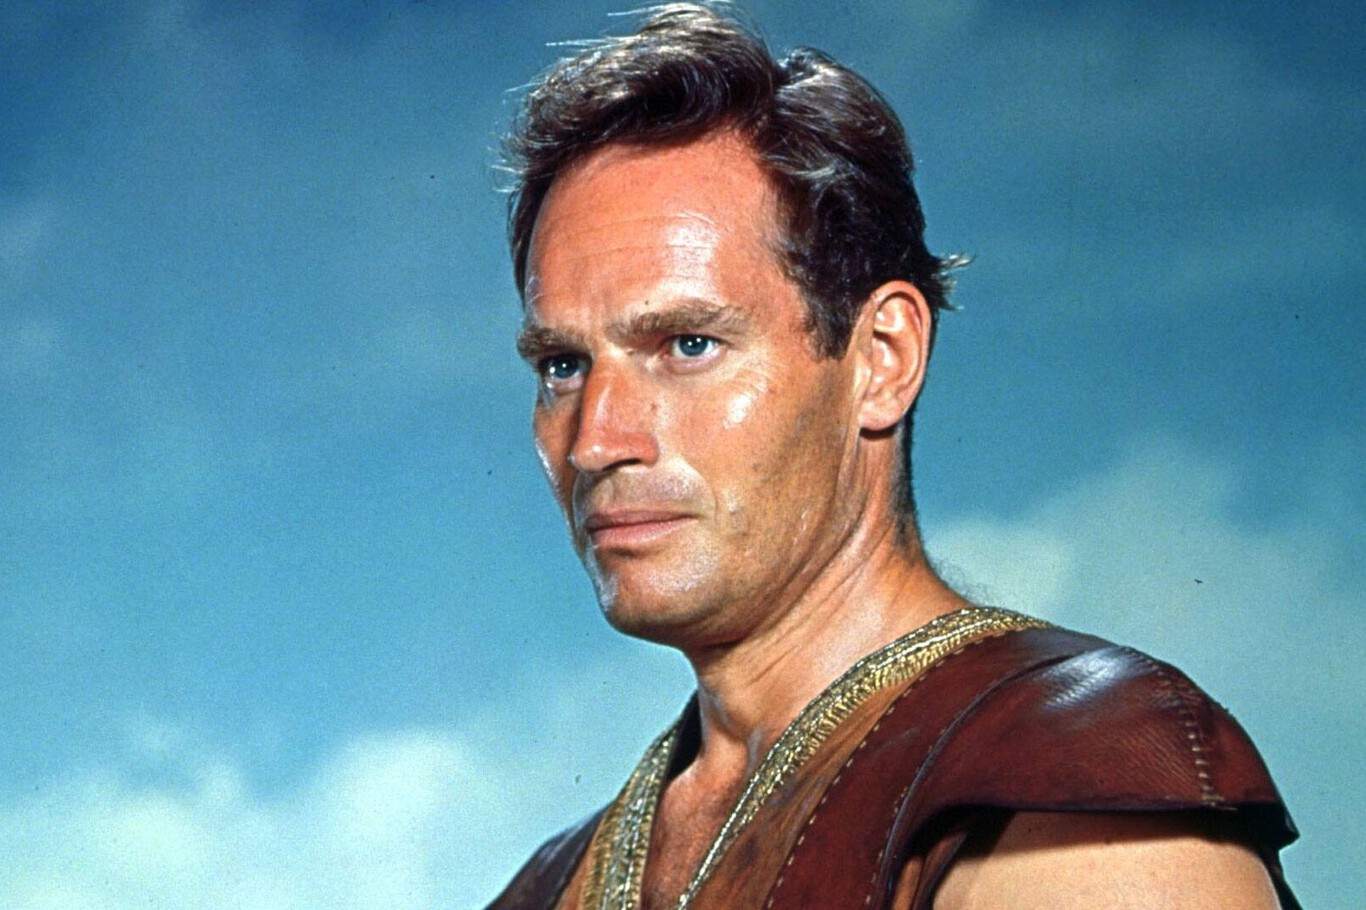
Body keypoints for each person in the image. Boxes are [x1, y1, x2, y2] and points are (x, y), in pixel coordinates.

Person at [488, 5, 1299, 908]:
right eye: (562, 366)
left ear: (882, 359)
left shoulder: (1079, 780)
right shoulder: (551, 884)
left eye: (688, 344)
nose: (596, 439)